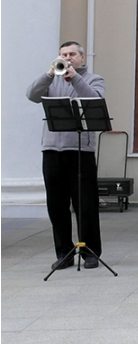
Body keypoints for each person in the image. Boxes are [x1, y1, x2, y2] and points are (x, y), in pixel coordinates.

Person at [26, 41, 106, 270]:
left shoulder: (93, 79)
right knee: (56, 204)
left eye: (72, 54)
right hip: (52, 149)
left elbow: (94, 100)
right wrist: (50, 73)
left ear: (82, 58)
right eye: (63, 55)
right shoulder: (52, 80)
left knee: (85, 203)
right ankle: (64, 252)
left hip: (80, 150)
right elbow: (31, 94)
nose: (68, 58)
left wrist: (74, 78)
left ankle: (90, 251)